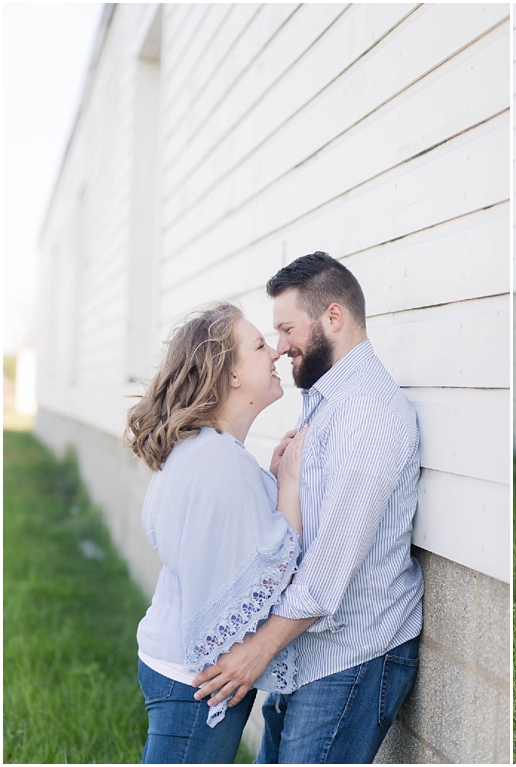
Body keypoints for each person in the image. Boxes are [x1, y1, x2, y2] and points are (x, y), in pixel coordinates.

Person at [191, 252, 424, 764]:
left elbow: (327, 572)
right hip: (307, 650)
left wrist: (255, 653)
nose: (279, 347)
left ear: (333, 318)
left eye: (287, 329)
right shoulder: (326, 396)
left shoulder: (370, 415)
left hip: (353, 655)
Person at [125, 303, 307, 763]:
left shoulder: (210, 450)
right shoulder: (218, 460)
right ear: (230, 376)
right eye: (260, 346)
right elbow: (279, 562)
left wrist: (266, 480)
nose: (275, 353)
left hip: (177, 668)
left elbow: (228, 536)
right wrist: (290, 485)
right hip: (194, 682)